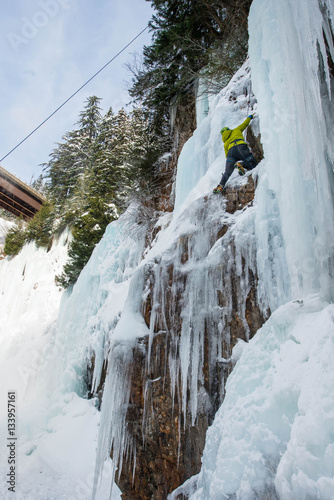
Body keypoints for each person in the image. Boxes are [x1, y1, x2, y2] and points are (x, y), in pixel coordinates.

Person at [213, 115, 258, 194]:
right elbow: (244, 124)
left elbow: (227, 156)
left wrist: (230, 165)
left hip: (231, 153)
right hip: (240, 147)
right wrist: (249, 117)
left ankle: (220, 185)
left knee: (227, 173)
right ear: (228, 130)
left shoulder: (225, 142)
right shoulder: (236, 130)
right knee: (253, 162)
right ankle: (241, 164)